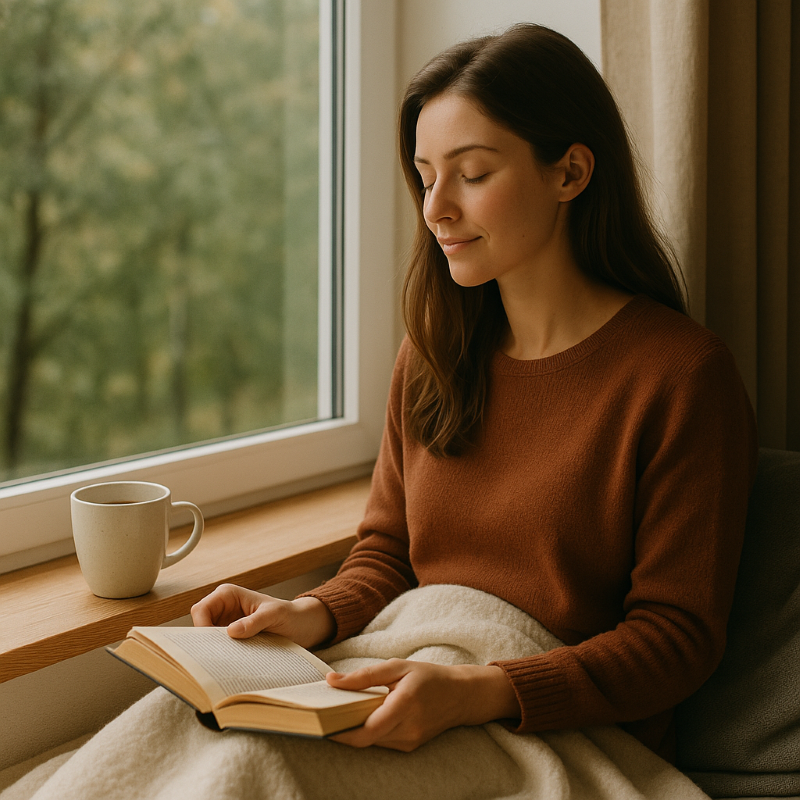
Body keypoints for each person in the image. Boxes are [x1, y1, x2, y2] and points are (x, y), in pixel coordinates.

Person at [191, 23, 757, 764]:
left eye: (473, 173)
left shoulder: (682, 378)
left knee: (250, 765)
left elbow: (676, 639)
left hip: (557, 732)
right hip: (411, 669)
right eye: (426, 176)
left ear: (571, 173)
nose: (435, 209)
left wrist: (481, 690)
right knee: (193, 738)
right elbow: (390, 551)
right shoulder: (432, 356)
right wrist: (308, 614)